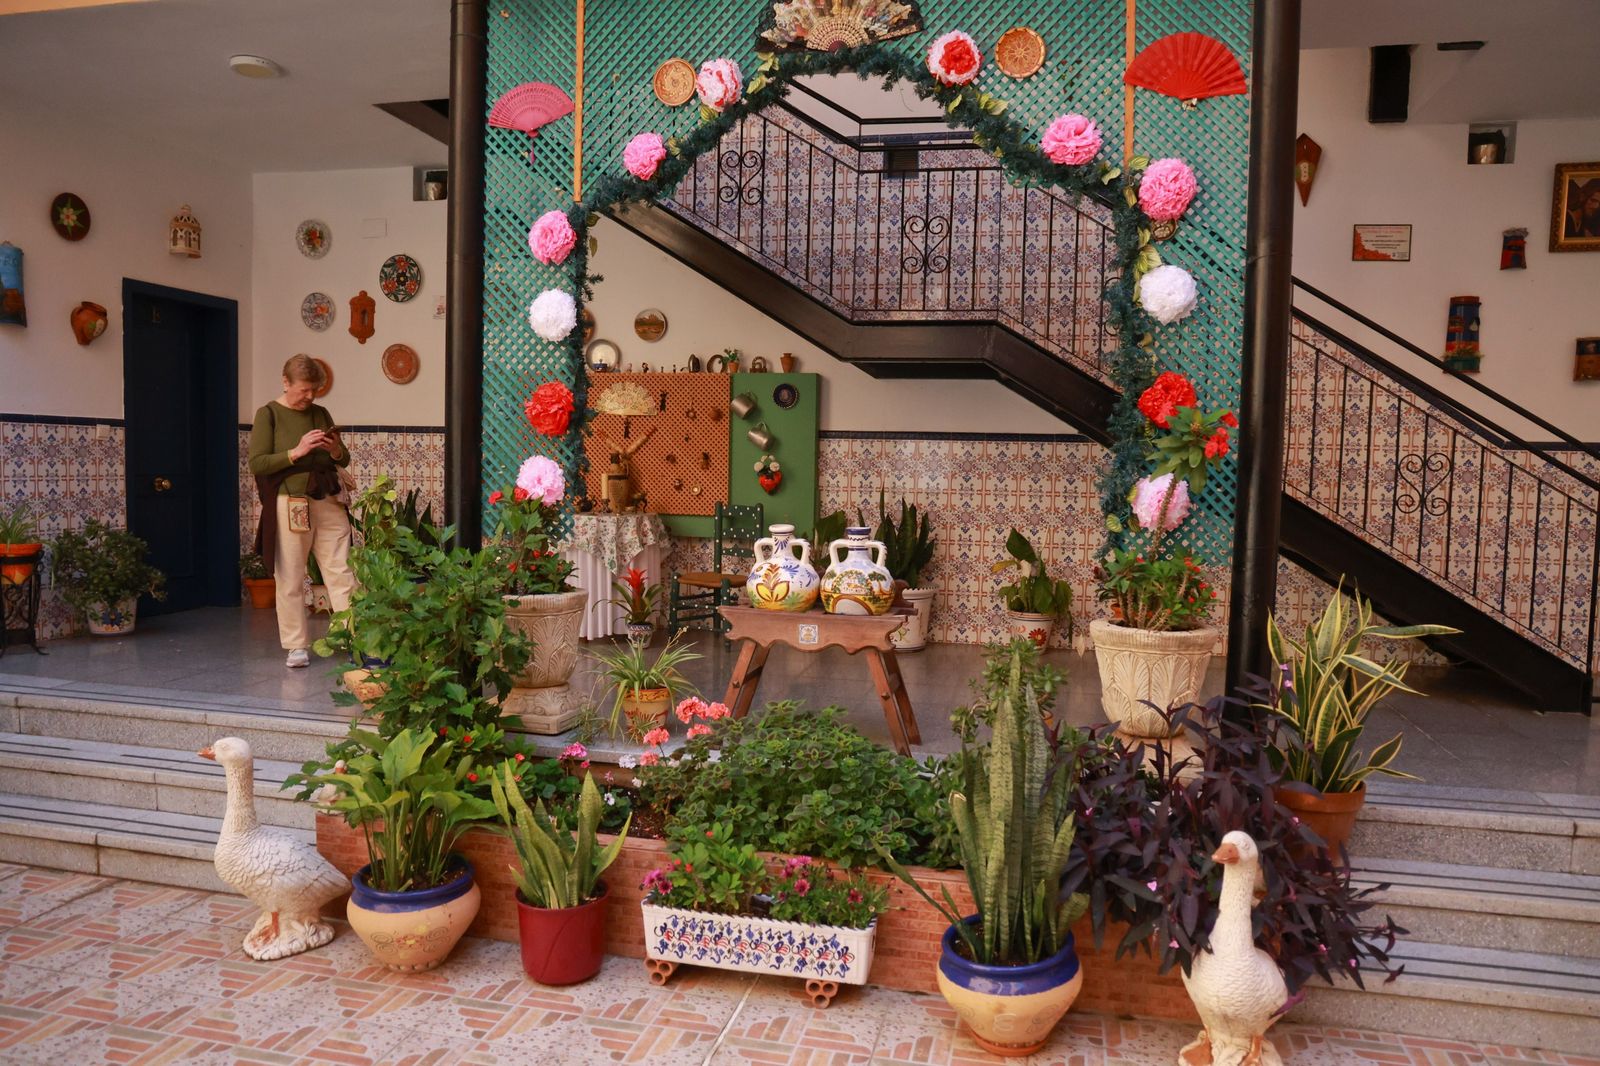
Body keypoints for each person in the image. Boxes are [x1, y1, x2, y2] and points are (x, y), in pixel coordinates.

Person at [249, 355, 355, 668]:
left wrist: (333, 448)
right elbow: (257, 463)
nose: (310, 397)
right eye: (304, 390)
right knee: (291, 575)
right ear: (286, 382)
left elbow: (343, 457)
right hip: (291, 501)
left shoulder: (320, 412)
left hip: (327, 497)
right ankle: (296, 646)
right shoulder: (268, 413)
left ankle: (353, 637)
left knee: (341, 570)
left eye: (315, 390)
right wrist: (298, 451)